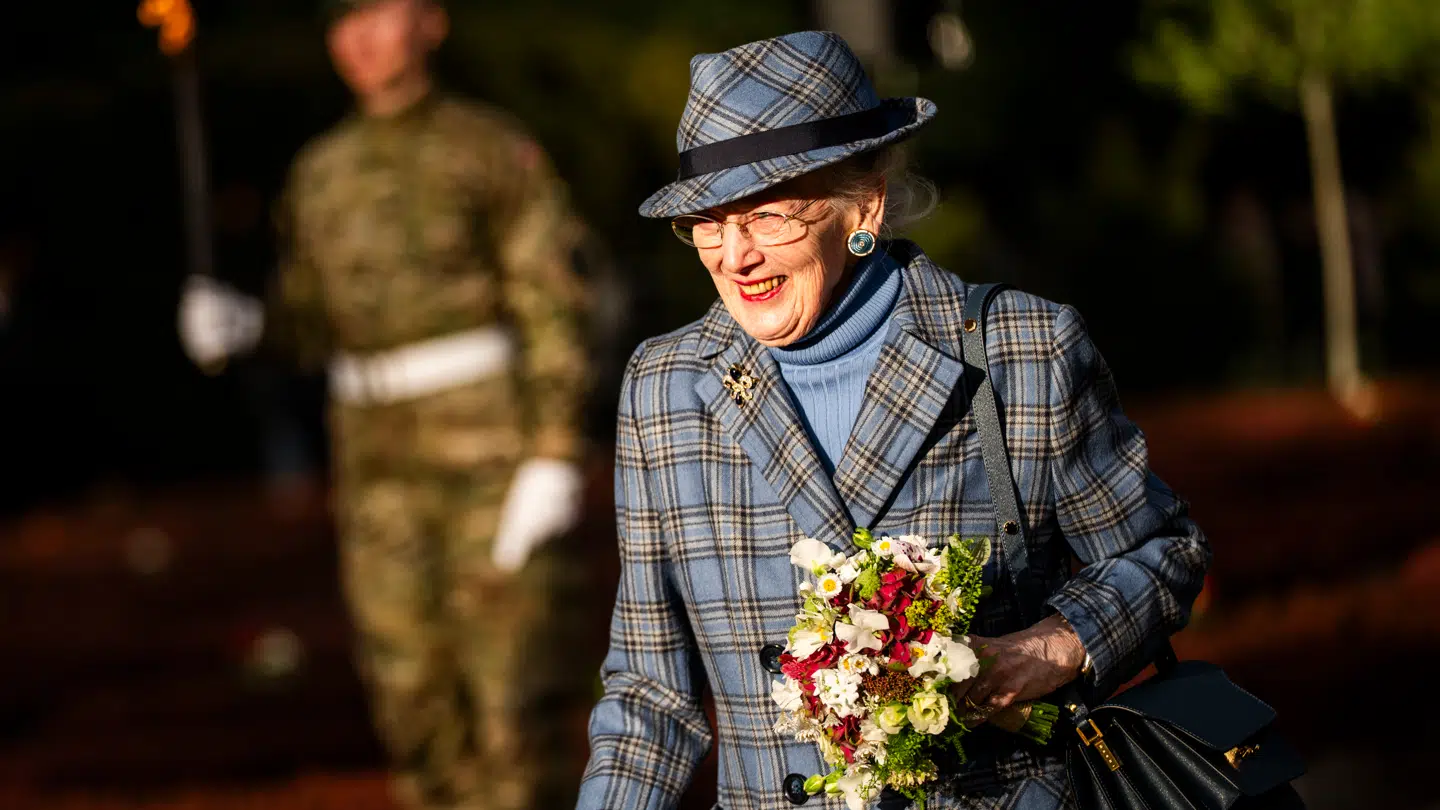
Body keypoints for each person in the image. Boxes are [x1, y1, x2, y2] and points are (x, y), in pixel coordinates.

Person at [578, 31, 1211, 810]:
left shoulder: (1019, 350)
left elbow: (1162, 550)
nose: (733, 255)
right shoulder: (665, 387)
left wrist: (1050, 647)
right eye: (707, 221)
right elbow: (649, 696)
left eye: (769, 215)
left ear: (863, 205)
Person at [177, 1, 593, 808]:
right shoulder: (320, 172)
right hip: (375, 467)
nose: (359, 38)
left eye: (379, 12)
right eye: (341, 19)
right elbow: (310, 325)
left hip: (489, 454)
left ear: (430, 22)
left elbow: (553, 302)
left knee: (516, 702)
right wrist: (246, 323)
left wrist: (551, 452)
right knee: (412, 707)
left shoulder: (489, 148)